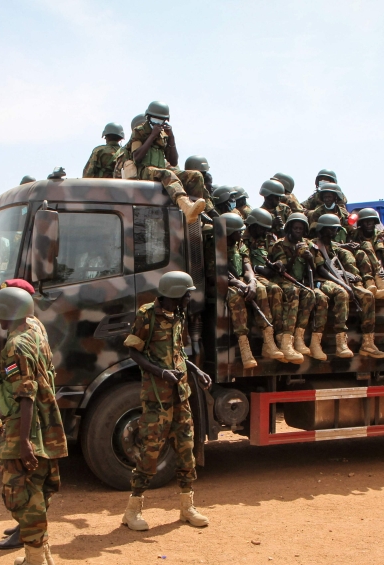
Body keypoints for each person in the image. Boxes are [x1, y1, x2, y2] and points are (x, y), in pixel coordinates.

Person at [0, 288, 67, 565]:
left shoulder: (16, 345)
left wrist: (22, 442)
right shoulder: (35, 334)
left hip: (27, 427)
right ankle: (41, 556)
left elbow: (25, 394)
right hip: (46, 426)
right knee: (37, 493)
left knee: (20, 493)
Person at [121, 271, 211, 531]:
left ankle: (187, 506)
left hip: (180, 396)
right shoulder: (147, 315)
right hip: (157, 399)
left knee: (186, 450)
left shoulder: (178, 315)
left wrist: (196, 370)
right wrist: (161, 372)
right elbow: (132, 352)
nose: (190, 297)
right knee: (149, 452)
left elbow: (178, 352)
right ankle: (132, 510)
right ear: (176, 294)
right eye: (187, 293)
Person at [313, 215, 384, 358]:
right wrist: (344, 284)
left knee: (367, 295)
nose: (335, 232)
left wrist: (350, 277)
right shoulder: (315, 245)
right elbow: (321, 270)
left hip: (340, 280)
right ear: (322, 230)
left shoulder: (334, 246)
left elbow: (342, 253)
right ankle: (341, 343)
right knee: (342, 293)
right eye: (332, 229)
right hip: (321, 281)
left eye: (336, 229)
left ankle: (368, 343)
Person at [119, 101, 206, 224]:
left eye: (161, 121)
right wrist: (152, 136)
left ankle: (194, 213)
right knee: (167, 174)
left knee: (195, 176)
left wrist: (171, 138)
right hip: (143, 171)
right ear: (148, 117)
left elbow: (173, 161)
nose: (158, 123)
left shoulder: (163, 135)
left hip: (159, 170)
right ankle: (186, 206)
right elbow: (137, 157)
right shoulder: (139, 131)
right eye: (155, 120)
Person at [224, 213, 285, 367]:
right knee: (236, 297)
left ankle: (268, 341)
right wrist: (238, 283)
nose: (241, 234)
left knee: (261, 289)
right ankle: (245, 349)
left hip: (242, 280)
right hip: (226, 283)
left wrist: (251, 282)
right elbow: (214, 273)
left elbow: (247, 267)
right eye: (238, 231)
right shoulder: (216, 246)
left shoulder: (240, 245)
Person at [243, 208, 302, 363]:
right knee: (271, 290)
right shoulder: (241, 239)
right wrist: (257, 269)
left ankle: (283, 339)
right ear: (253, 225)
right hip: (250, 276)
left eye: (265, 228)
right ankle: (270, 340)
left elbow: (277, 255)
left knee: (292, 290)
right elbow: (243, 260)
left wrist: (278, 264)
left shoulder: (268, 238)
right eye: (261, 228)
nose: (263, 231)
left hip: (269, 275)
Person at [268, 214, 328, 360]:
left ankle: (301, 338)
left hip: (302, 283)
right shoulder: (279, 245)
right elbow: (283, 271)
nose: (298, 231)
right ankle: (286, 341)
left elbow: (316, 270)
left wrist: (310, 259)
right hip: (284, 281)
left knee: (316, 295)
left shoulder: (309, 245)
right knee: (293, 292)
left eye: (301, 229)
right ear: (289, 228)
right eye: (295, 228)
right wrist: (295, 255)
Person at [343, 208, 384, 298]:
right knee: (364, 248)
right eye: (365, 222)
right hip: (359, 262)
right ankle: (369, 283)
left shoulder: (378, 234)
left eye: (370, 221)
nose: (368, 224)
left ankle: (380, 282)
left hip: (374, 265)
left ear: (375, 222)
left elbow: (379, 254)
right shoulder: (354, 234)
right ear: (361, 224)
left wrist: (381, 269)